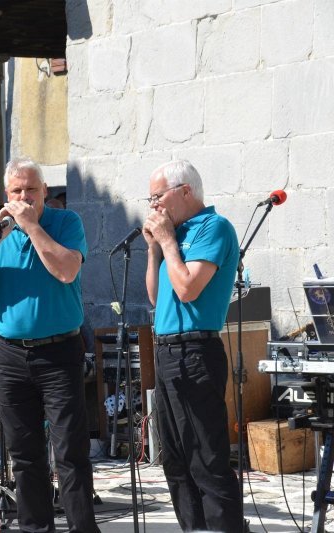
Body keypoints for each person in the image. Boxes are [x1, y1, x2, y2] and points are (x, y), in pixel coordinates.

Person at [0, 157, 99, 533]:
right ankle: (36, 528)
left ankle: (82, 528)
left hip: (59, 352)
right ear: (6, 196)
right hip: (10, 354)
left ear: (44, 193)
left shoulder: (65, 222)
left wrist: (31, 227)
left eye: (31, 190)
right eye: (16, 191)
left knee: (70, 451)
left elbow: (67, 269)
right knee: (24, 454)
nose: (24, 197)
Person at [143, 159, 242, 532]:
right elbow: (156, 298)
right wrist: (155, 250)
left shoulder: (212, 228)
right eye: (149, 198)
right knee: (175, 460)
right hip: (167, 350)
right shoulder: (174, 235)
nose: (153, 206)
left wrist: (168, 240)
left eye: (158, 197)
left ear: (185, 192)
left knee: (206, 459)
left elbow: (187, 289)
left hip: (196, 352)